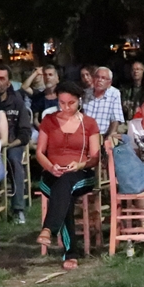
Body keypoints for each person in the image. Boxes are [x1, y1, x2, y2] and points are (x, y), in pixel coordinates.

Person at [34, 82, 100, 270]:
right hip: (52, 173)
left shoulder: (89, 123)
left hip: (81, 174)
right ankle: (69, 252)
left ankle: (49, 230)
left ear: (79, 101)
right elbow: (39, 153)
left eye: (70, 103)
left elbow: (95, 158)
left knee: (64, 186)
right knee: (63, 191)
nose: (65, 107)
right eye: (61, 103)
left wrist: (79, 164)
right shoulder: (49, 121)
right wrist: (50, 166)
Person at [0, 65, 33, 223]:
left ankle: (18, 209)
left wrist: (9, 144)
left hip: (13, 143)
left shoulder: (17, 101)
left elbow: (25, 133)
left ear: (9, 82)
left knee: (14, 160)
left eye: (2, 78)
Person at [83, 67, 125, 141]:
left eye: (103, 78)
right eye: (97, 77)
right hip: (84, 134)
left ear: (109, 83)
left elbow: (115, 118)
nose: (99, 80)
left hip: (102, 135)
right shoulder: (85, 93)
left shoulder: (114, 93)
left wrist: (110, 136)